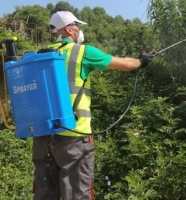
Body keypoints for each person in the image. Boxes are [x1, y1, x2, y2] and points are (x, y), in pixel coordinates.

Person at [32, 11, 153, 200]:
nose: (80, 30)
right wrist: (141, 61)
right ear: (69, 29)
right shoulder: (82, 52)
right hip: (74, 137)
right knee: (78, 194)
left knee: (45, 194)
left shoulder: (38, 56)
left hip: (42, 139)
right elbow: (124, 64)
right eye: (78, 26)